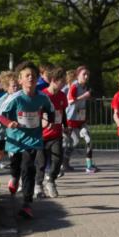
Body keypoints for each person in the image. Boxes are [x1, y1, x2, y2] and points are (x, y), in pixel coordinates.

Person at [0, 61, 54, 220]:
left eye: (34, 76)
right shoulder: (14, 98)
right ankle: (14, 178)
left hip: (33, 140)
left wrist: (48, 120)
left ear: (37, 80)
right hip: (15, 140)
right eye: (27, 76)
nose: (31, 79)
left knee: (28, 168)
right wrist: (9, 123)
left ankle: (27, 204)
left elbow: (51, 110)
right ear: (20, 80)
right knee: (16, 167)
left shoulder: (42, 97)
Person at [36, 67, 68, 199]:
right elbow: (37, 113)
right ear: (54, 81)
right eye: (62, 82)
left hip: (56, 134)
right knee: (41, 163)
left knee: (57, 159)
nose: (65, 84)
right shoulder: (43, 95)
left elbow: (63, 111)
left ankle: (51, 181)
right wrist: (43, 120)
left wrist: (66, 126)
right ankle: (38, 185)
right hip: (42, 135)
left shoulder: (61, 95)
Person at [65, 66, 98, 174]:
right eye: (84, 74)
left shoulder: (86, 87)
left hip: (81, 120)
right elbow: (70, 101)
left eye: (87, 74)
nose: (86, 76)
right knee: (73, 142)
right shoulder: (74, 86)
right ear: (77, 75)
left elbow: (86, 98)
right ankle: (63, 163)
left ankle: (89, 166)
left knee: (88, 140)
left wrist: (90, 97)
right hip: (70, 120)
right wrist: (84, 96)